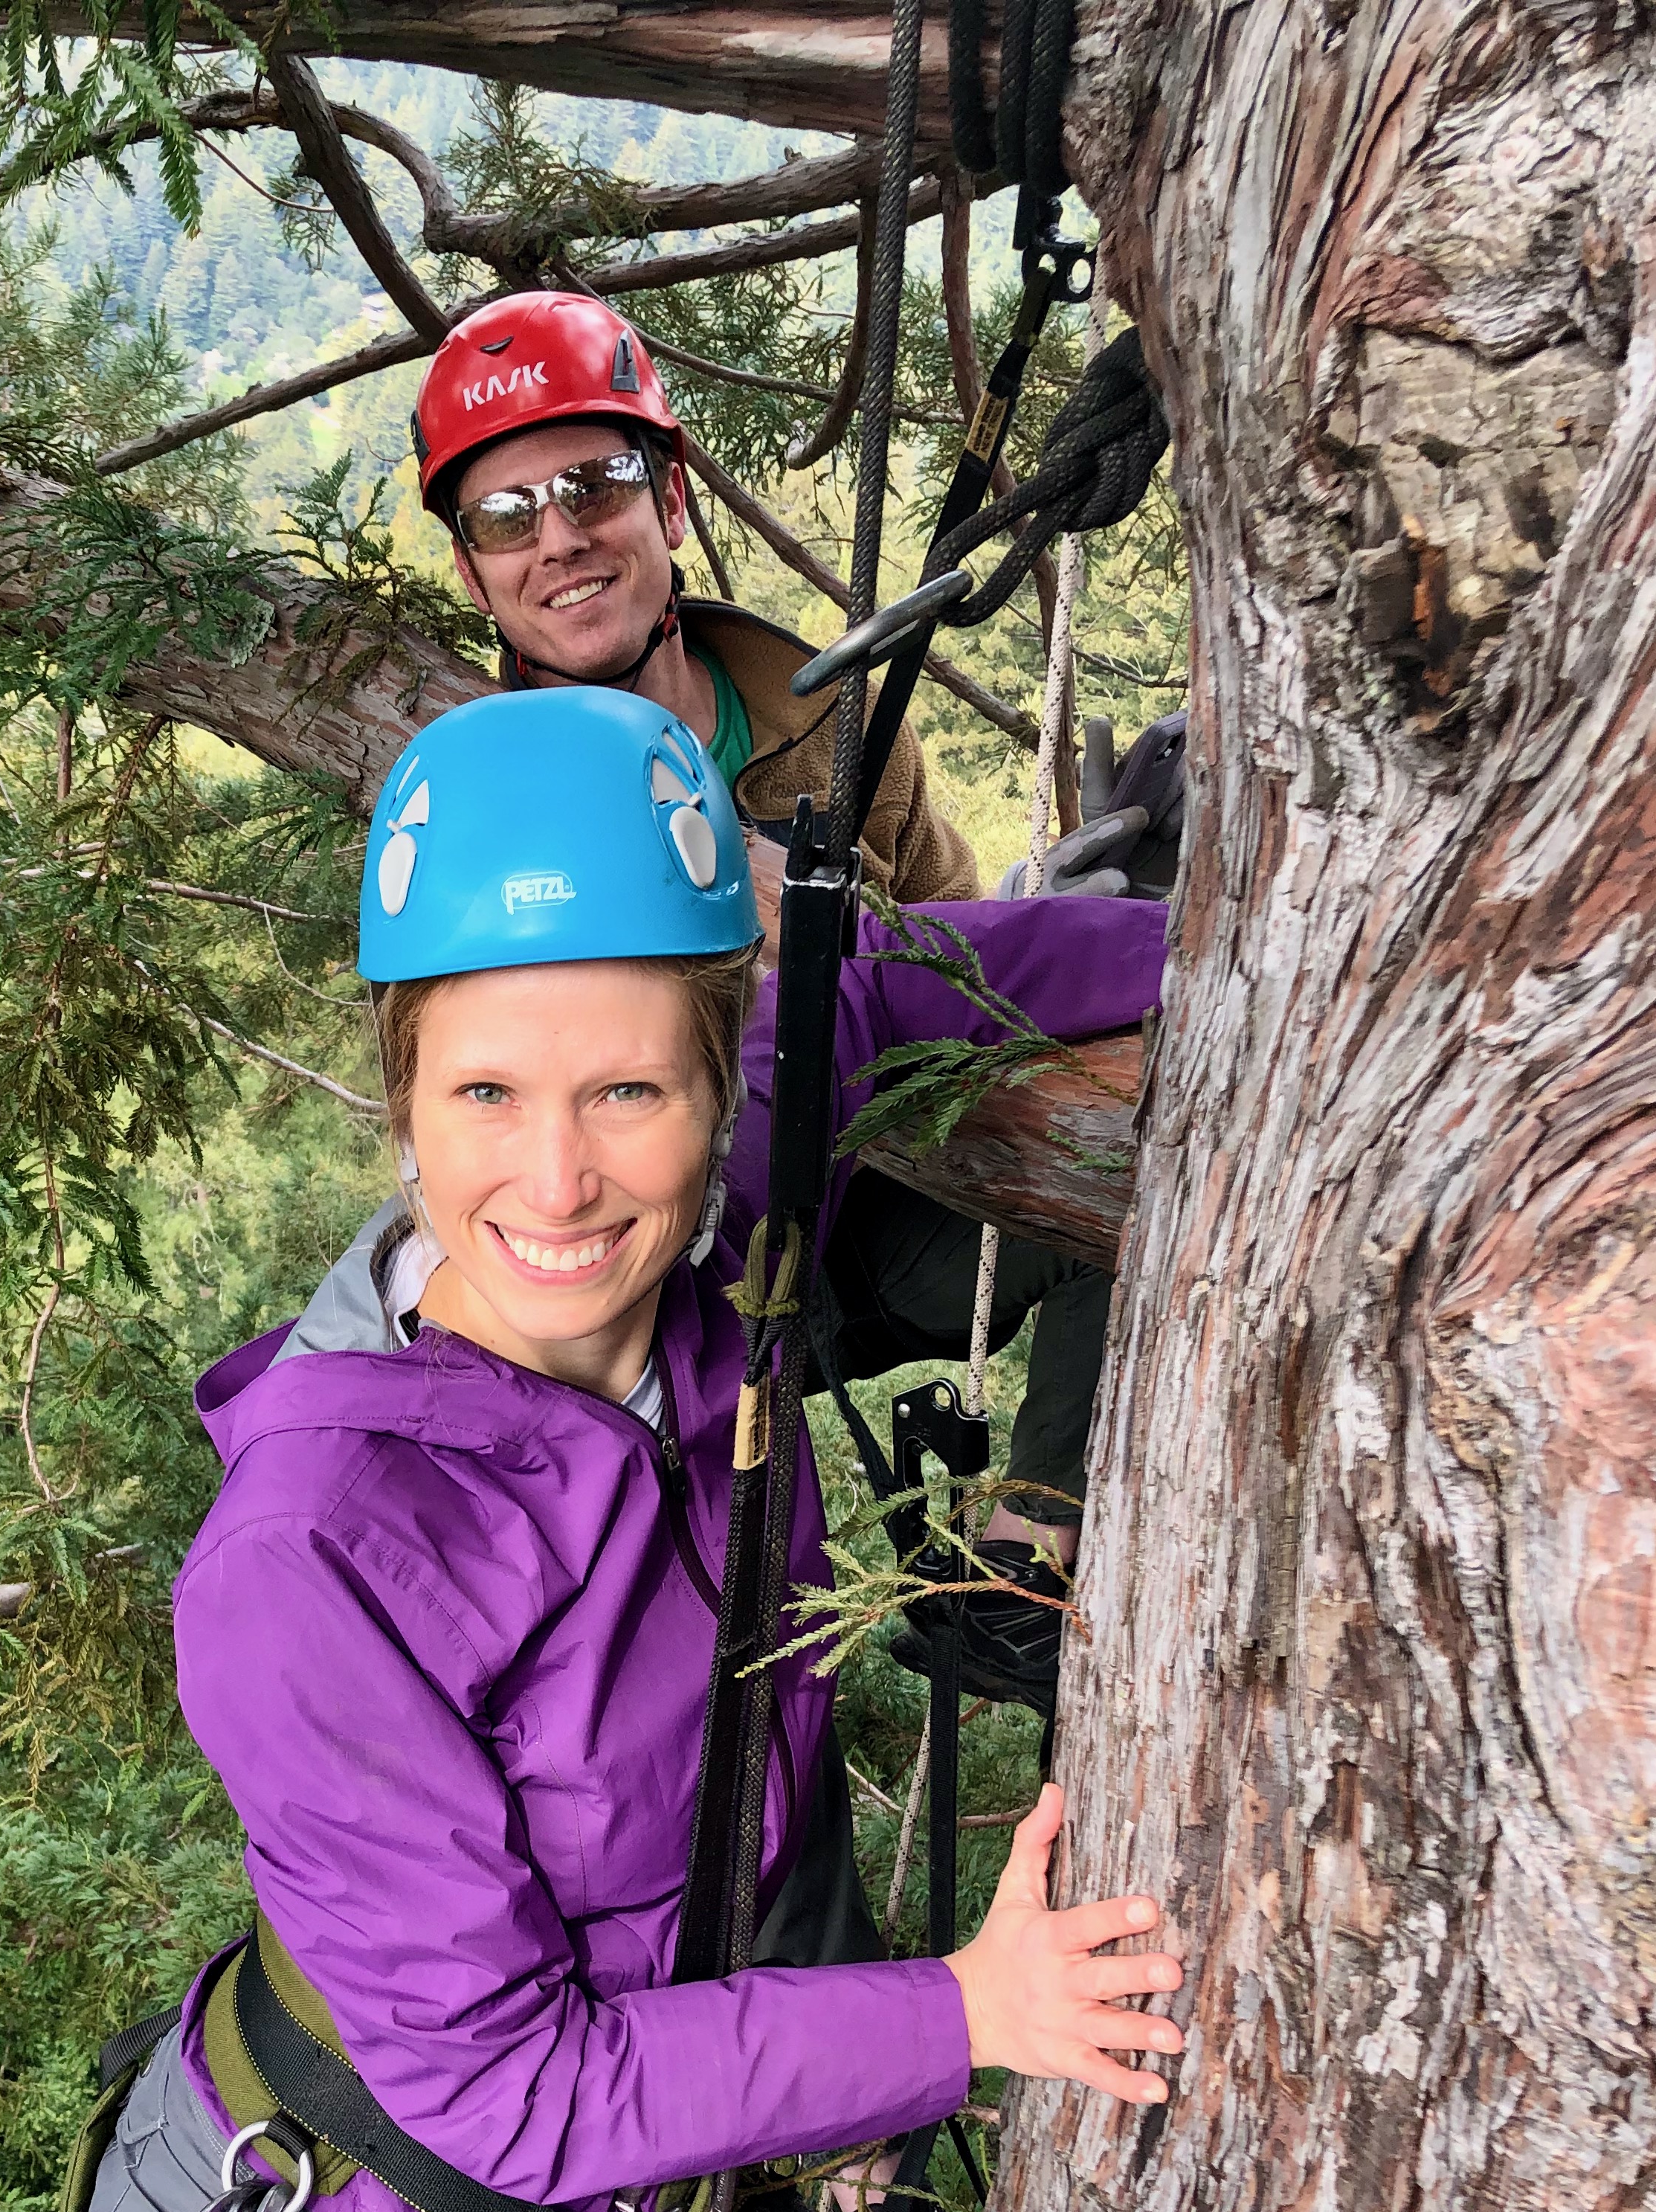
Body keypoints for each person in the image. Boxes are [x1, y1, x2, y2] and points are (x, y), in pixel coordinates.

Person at [71, 687, 1186, 2212]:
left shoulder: (713, 1211)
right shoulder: (314, 1555)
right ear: (397, 1095)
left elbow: (900, 985)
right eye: (483, 1093)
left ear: (711, 1081)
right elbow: (501, 2084)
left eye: (630, 1094)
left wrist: (1253, 939)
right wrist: (964, 2021)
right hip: (357, 2209)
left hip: (659, 2176)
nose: (560, 1178)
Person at [410, 290, 1171, 1718]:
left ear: (673, 498)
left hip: (868, 1229)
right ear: (474, 570)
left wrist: (1074, 932)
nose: (560, 538)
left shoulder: (828, 726)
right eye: (509, 514)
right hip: (659, 1281)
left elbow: (946, 975)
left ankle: (1029, 1567)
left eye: (595, 484)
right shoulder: (477, 810)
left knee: (1153, 1169)